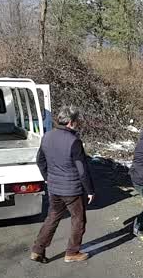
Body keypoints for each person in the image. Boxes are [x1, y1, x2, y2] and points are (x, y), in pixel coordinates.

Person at [30, 106, 95, 264]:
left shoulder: (46, 136)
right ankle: (72, 252)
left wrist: (47, 178)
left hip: (54, 187)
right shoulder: (74, 141)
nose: (77, 124)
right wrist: (90, 190)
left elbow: (40, 161)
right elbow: (82, 170)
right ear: (71, 123)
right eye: (76, 121)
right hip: (72, 189)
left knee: (52, 217)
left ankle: (37, 249)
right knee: (78, 219)